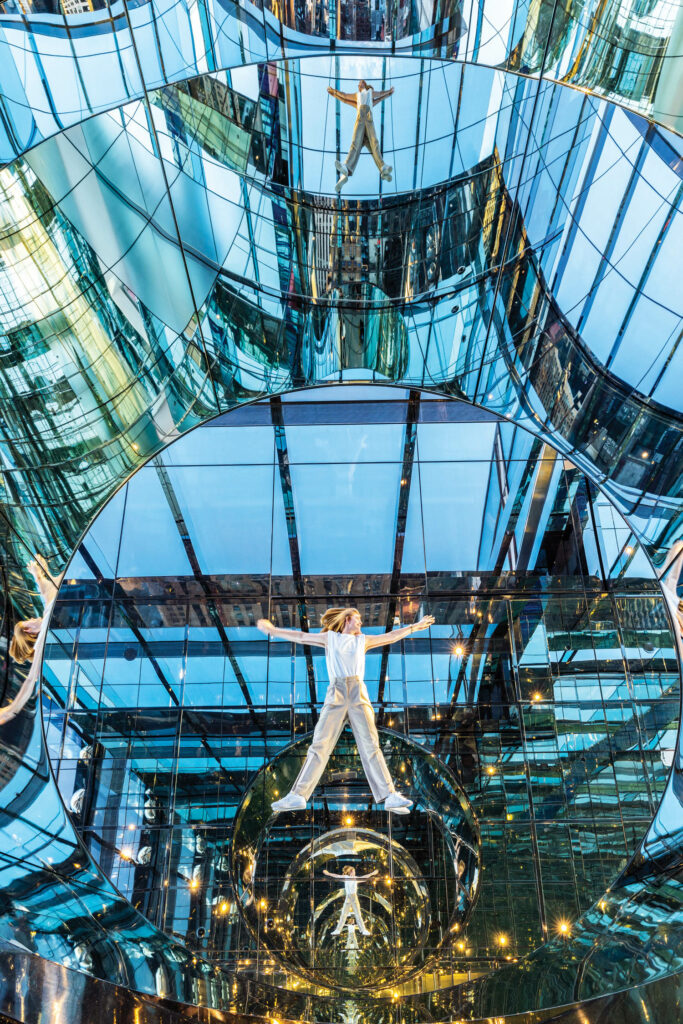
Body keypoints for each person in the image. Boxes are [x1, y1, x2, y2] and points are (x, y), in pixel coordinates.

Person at [256, 607, 434, 812]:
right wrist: (274, 631)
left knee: (371, 744)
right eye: (358, 620)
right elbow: (302, 636)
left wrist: (414, 627)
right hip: (337, 692)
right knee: (320, 744)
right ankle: (297, 795)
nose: (361, 624)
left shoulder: (363, 641)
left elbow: (391, 636)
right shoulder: (330, 638)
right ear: (347, 619)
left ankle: (390, 795)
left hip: (358, 691)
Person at [3, 554, 63, 725]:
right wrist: (11, 710)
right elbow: (31, 679)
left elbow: (44, 584)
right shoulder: (45, 632)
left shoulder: (47, 612)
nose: (31, 619)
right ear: (29, 630)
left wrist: (37, 571)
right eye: (27, 621)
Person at [327, 80, 394, 192]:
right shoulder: (357, 96)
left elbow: (379, 96)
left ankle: (381, 168)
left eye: (360, 83)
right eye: (358, 83)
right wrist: (334, 92)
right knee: (371, 144)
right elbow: (344, 98)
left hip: (365, 117)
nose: (358, 85)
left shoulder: (369, 92)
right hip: (364, 117)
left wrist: (389, 92)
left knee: (363, 144)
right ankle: (345, 173)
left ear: (364, 84)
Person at [323, 864, 378, 937]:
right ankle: (338, 930)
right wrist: (328, 873)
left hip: (354, 896)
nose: (354, 873)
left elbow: (364, 877)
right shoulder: (346, 877)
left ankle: (363, 930)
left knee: (358, 914)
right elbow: (337, 876)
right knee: (343, 914)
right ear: (350, 872)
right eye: (353, 871)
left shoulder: (355, 878)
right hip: (348, 897)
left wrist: (372, 873)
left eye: (354, 871)